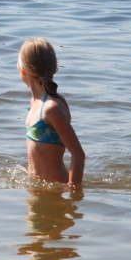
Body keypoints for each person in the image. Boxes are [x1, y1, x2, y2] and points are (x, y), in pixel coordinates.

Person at [18, 38, 85, 187]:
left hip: (55, 191)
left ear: (23, 70)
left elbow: (78, 154)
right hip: (37, 190)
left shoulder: (51, 108)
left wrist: (73, 194)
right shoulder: (35, 103)